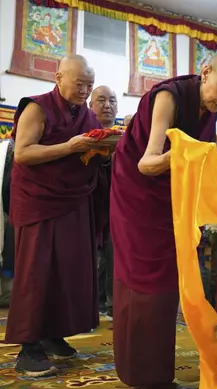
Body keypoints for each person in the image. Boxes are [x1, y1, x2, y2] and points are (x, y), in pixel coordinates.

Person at [110, 52, 217, 389]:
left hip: (167, 201)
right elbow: (148, 162)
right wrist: (195, 153)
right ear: (206, 72)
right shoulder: (168, 97)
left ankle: (150, 376)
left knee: (164, 287)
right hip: (138, 200)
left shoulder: (206, 106)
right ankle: (148, 380)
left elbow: (194, 158)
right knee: (147, 287)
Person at [5, 54, 105, 377]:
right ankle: (28, 347)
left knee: (68, 271)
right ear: (59, 77)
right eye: (79, 83)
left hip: (73, 200)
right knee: (37, 272)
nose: (85, 90)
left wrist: (105, 149)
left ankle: (52, 333)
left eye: (89, 84)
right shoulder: (36, 107)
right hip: (39, 200)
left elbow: (88, 153)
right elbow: (22, 152)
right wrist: (69, 147)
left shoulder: (87, 115)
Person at [88, 85, 118, 319]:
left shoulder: (126, 137)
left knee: (113, 256)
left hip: (116, 208)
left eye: (112, 100)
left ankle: (111, 305)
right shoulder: (82, 133)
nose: (107, 105)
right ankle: (88, 306)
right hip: (87, 205)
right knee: (88, 259)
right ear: (90, 105)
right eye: (101, 100)